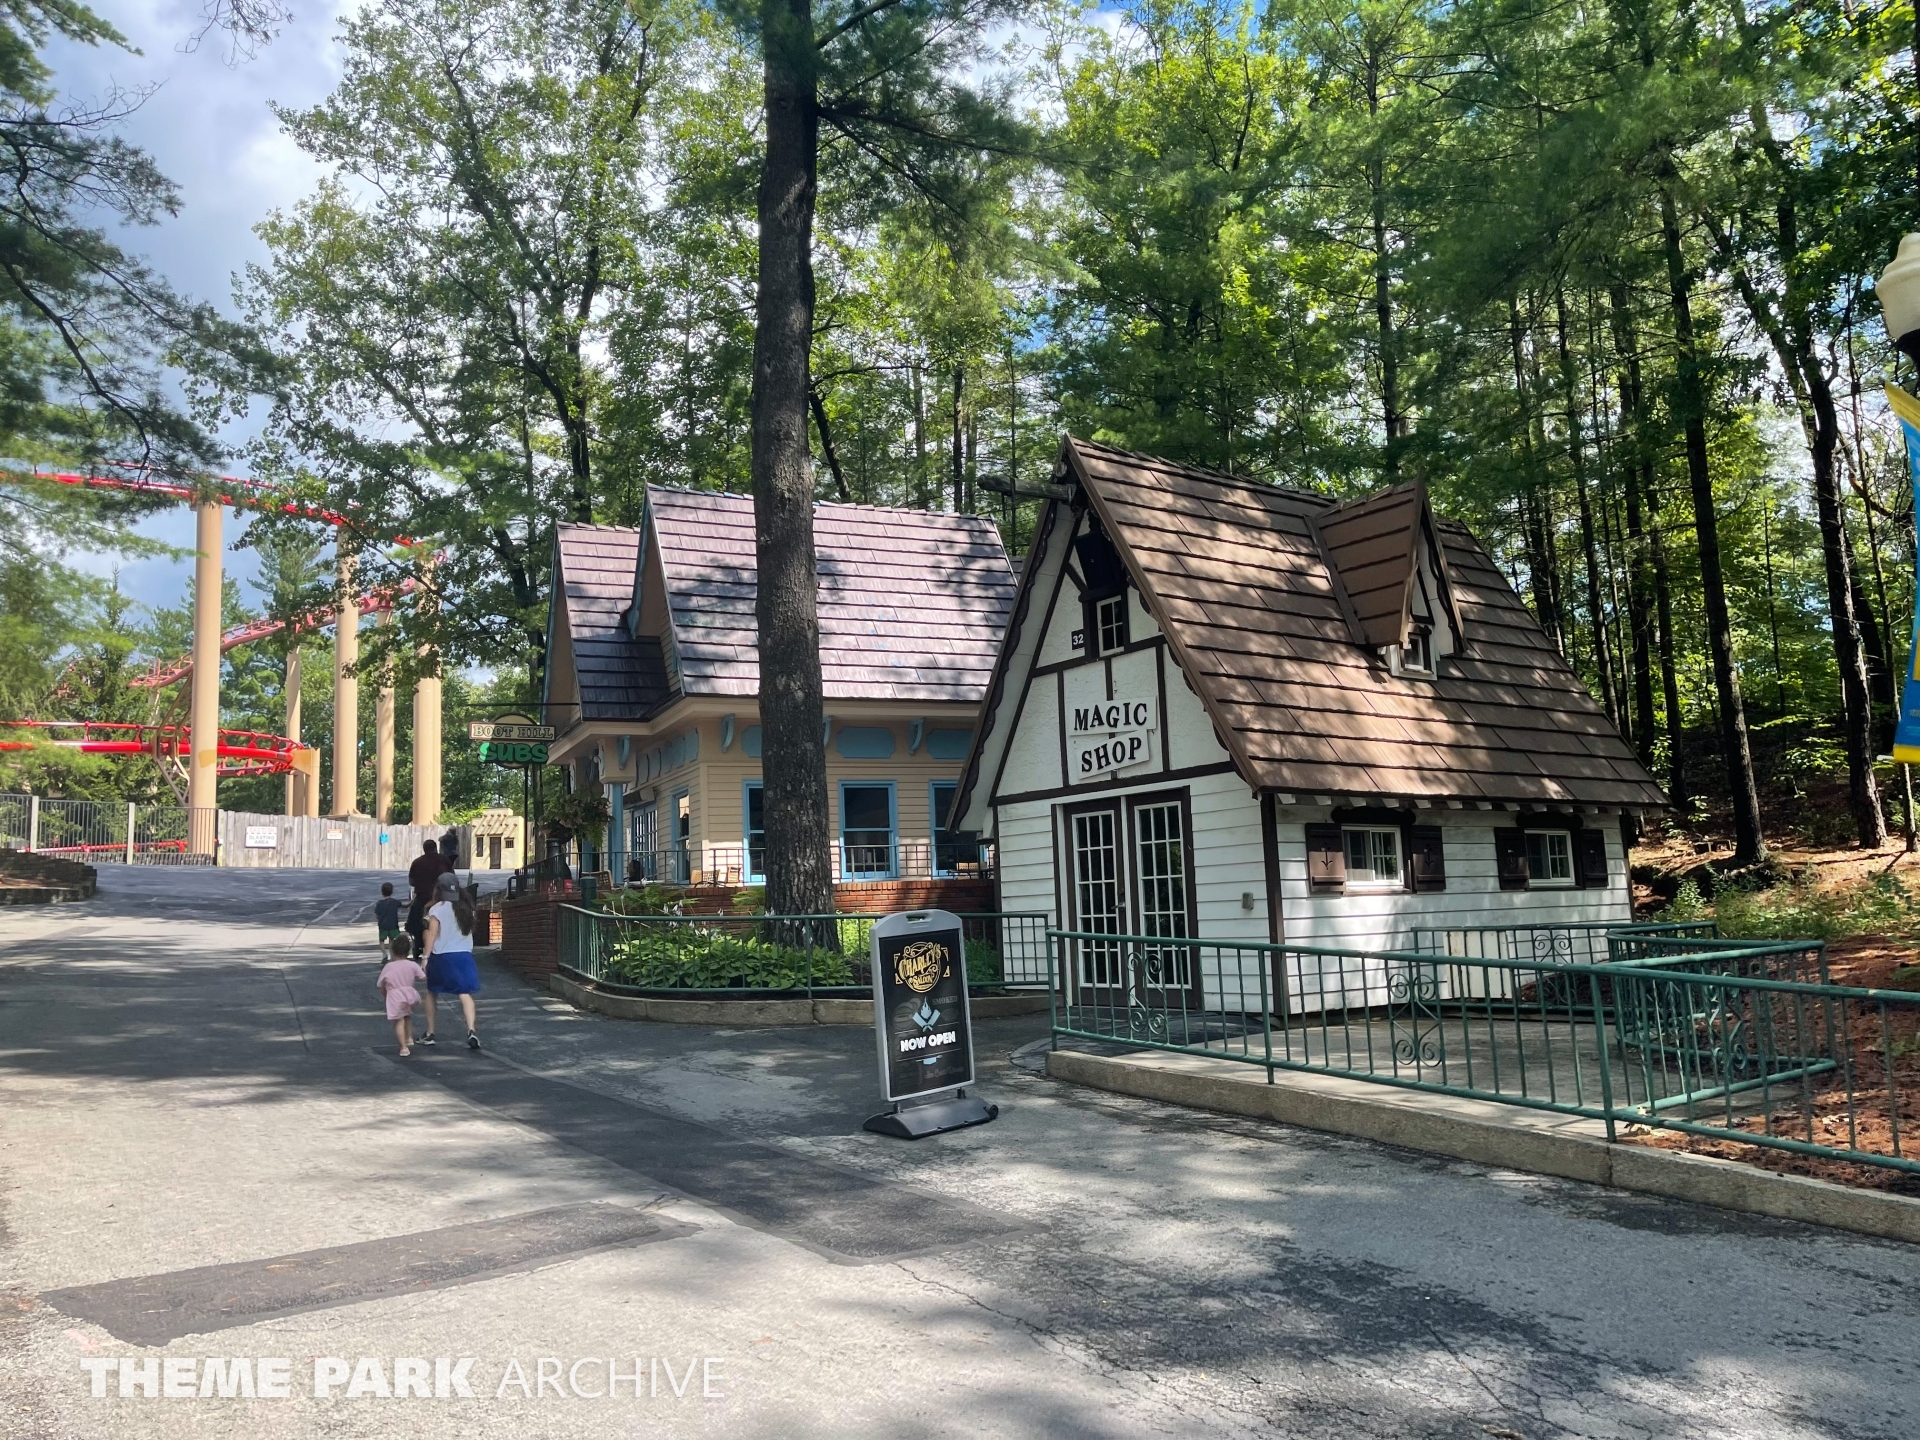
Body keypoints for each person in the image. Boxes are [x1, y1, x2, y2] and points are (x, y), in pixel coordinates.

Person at [420, 870, 481, 1050]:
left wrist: (425, 957)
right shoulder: (467, 908)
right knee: (465, 994)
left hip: (442, 957)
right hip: (464, 956)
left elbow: (432, 934)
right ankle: (471, 1030)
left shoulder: (437, 909)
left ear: (438, 889)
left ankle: (430, 1033)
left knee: (432, 992)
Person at [376, 933, 427, 1057]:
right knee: (407, 1016)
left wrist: (385, 993)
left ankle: (403, 1048)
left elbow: (380, 984)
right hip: (409, 994)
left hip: (395, 996)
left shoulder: (389, 967)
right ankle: (409, 1038)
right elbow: (422, 977)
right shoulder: (412, 965)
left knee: (398, 1021)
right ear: (408, 951)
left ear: (393, 951)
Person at [406, 839, 454, 955]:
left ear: (424, 849)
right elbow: (451, 877)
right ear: (435, 848)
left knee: (414, 922)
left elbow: (411, 882)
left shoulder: (417, 862)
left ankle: (419, 943)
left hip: (422, 898)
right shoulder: (444, 860)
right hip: (442, 898)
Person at [373, 881, 403, 960]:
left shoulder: (379, 903)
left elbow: (377, 914)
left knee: (381, 940)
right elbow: (405, 905)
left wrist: (379, 920)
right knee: (392, 940)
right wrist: (412, 901)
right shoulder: (395, 902)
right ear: (392, 891)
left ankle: (384, 953)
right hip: (393, 925)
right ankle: (392, 955)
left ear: (382, 892)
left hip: (383, 925)